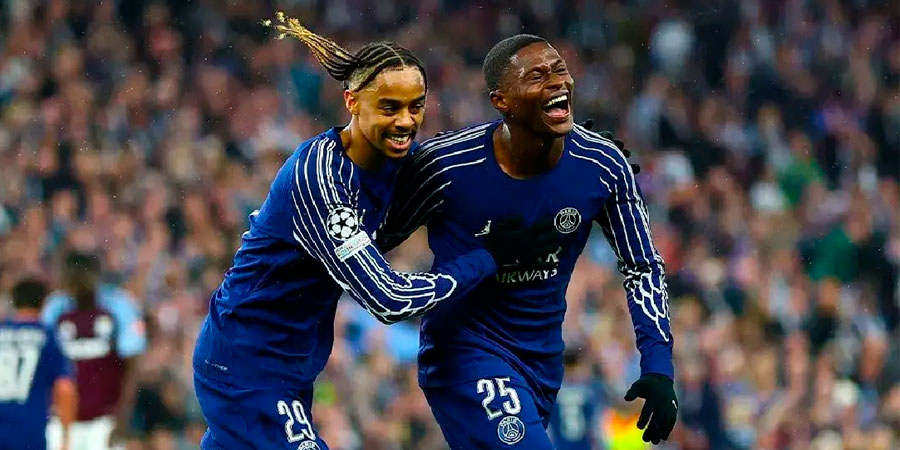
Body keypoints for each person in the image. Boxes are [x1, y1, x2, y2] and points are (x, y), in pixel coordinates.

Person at [191, 14, 556, 450]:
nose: (405, 121)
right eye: (389, 107)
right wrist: (486, 259)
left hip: (287, 368)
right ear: (352, 102)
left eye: (415, 106)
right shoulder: (320, 179)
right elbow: (388, 299)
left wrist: (563, 155)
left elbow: (479, 160)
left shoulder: (401, 160)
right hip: (246, 366)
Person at [377, 34, 678, 448]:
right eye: (536, 76)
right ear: (502, 101)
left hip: (541, 365)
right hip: (463, 353)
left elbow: (642, 266)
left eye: (560, 70)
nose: (557, 82)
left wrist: (659, 366)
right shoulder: (444, 165)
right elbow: (372, 239)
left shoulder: (602, 165)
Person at [45, 252, 143, 450]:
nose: (76, 283)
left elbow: (133, 367)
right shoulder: (56, 307)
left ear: (95, 276)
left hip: (103, 421)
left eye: (81, 277)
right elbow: (44, 362)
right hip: (62, 421)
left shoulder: (119, 305)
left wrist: (122, 417)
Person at [0, 278, 77, 450]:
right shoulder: (48, 336)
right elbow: (65, 388)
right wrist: (66, 435)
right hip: (28, 433)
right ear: (44, 303)